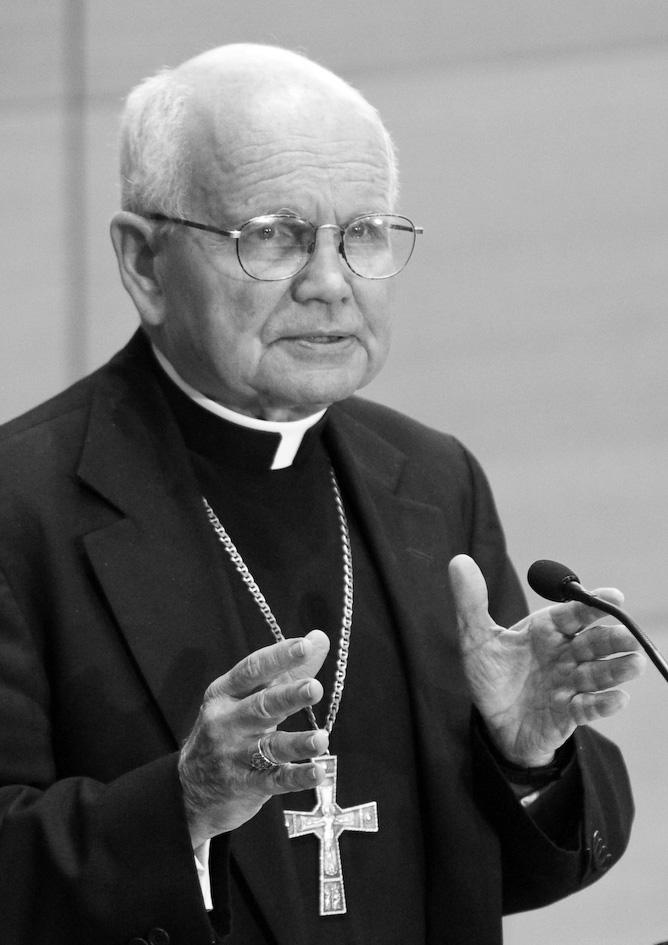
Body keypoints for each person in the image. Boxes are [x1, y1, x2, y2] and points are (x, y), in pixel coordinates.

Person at [0, 43, 646, 945]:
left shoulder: (431, 478)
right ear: (145, 263)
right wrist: (183, 804)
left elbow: (500, 873)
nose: (331, 282)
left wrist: (527, 755)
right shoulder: (20, 505)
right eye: (274, 234)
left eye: (365, 232)